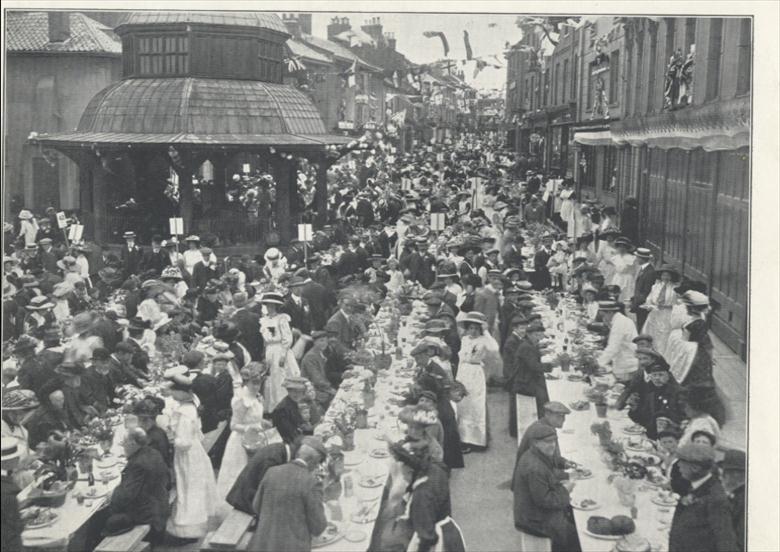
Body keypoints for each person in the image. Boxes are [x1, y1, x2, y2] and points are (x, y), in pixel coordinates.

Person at [369, 441, 464, 552]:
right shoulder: (433, 469)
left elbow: (426, 538)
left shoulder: (422, 495)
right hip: (448, 530)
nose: (403, 477)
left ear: (410, 471)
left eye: (403, 473)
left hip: (435, 540)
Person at [163, 366, 217, 542]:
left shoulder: (185, 413)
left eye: (174, 391)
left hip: (187, 455)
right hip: (195, 451)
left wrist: (171, 438)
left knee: (188, 486)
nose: (171, 394)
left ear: (180, 392)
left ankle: (189, 528)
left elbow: (184, 442)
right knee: (192, 486)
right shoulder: (191, 405)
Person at [247, 436, 328, 552]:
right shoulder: (311, 483)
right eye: (317, 464)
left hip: (264, 545)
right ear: (313, 461)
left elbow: (256, 506)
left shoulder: (272, 471)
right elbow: (318, 527)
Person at [512, 423, 581, 552]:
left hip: (531, 512)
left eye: (554, 441)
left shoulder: (535, 455)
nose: (552, 445)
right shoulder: (534, 468)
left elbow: (548, 475)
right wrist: (566, 490)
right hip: (534, 520)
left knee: (574, 521)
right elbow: (545, 501)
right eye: (547, 442)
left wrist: (566, 476)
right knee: (576, 537)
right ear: (536, 443)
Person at [216, 362, 268, 518]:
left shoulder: (257, 397)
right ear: (246, 382)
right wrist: (248, 428)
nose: (257, 387)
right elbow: (233, 425)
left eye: (259, 383)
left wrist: (261, 423)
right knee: (240, 473)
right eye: (254, 383)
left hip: (256, 439)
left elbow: (257, 418)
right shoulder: (241, 400)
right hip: (241, 442)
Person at [102, 427, 170, 543]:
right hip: (159, 504)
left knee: (102, 516)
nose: (123, 447)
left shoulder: (137, 464)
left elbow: (126, 496)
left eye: (124, 443)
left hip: (148, 515)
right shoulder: (153, 452)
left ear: (133, 443)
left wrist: (112, 495)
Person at [668, 443, 738, 552]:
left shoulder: (716, 499)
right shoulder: (697, 484)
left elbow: (726, 542)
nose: (678, 466)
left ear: (695, 468)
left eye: (681, 463)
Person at [226, 438, 298, 515]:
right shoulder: (273, 459)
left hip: (248, 494)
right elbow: (266, 487)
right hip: (246, 500)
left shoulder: (278, 448)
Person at [618, 357, 684, 439]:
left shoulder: (677, 393)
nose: (657, 378)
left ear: (668, 376)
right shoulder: (649, 390)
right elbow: (642, 419)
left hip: (669, 437)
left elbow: (682, 422)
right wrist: (634, 408)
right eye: (654, 375)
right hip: (650, 435)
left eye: (660, 375)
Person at [513, 402, 574, 485]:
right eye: (559, 416)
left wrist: (565, 463)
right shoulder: (542, 432)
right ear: (547, 414)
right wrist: (570, 475)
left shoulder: (544, 427)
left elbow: (551, 459)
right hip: (531, 482)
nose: (563, 419)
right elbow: (546, 470)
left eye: (564, 416)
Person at [455, 312, 490, 452]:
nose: (473, 331)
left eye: (476, 328)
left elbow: (474, 357)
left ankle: (476, 440)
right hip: (462, 372)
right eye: (471, 328)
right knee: (462, 404)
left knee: (475, 404)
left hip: (475, 373)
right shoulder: (464, 339)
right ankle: (463, 438)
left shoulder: (483, 341)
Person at [260, 292, 301, 411]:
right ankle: (273, 406)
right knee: (271, 377)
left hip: (280, 349)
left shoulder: (282, 319)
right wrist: (264, 354)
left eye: (272, 305)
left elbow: (287, 338)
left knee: (280, 376)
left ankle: (284, 403)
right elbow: (265, 340)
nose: (269, 307)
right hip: (270, 350)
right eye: (268, 305)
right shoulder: (264, 320)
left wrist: (283, 355)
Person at [512, 321, 552, 421]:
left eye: (539, 335)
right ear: (529, 334)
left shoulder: (528, 343)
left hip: (525, 377)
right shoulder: (526, 347)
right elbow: (535, 366)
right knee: (546, 394)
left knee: (546, 386)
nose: (538, 338)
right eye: (536, 335)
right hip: (524, 383)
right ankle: (543, 419)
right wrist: (552, 365)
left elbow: (532, 356)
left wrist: (540, 351)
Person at [639, 264, 680, 353]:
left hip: (667, 314)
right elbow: (649, 298)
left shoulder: (675, 289)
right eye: (663, 275)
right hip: (655, 312)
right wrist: (649, 304)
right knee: (651, 332)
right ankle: (650, 351)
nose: (665, 277)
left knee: (664, 335)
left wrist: (668, 306)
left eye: (668, 275)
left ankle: (662, 354)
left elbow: (679, 304)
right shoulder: (656, 286)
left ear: (672, 277)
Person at [596, 300, 639, 383]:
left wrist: (598, 363)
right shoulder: (619, 320)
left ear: (610, 312)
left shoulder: (620, 323)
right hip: (623, 361)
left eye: (603, 315)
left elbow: (613, 347)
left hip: (626, 365)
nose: (603, 318)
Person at [300, 331, 337, 411]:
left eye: (326, 341)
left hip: (320, 387)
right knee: (336, 398)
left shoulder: (319, 353)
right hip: (312, 389)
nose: (324, 343)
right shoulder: (311, 357)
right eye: (321, 341)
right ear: (314, 342)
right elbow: (317, 379)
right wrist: (330, 388)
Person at [131, 398, 172, 468]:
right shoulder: (156, 431)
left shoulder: (153, 438)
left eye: (140, 420)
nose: (138, 424)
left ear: (148, 420)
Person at [718, 449, 746, 551]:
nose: (723, 477)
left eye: (726, 472)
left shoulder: (743, 499)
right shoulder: (736, 492)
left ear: (737, 474)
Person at [271, 376, 312, 444]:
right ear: (288, 391)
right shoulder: (282, 409)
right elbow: (291, 434)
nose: (296, 394)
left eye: (300, 392)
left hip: (295, 438)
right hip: (285, 443)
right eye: (293, 391)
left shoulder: (293, 403)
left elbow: (300, 424)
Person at [2, 436, 25, 552]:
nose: (18, 459)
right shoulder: (7, 490)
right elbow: (13, 529)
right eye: (16, 457)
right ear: (7, 461)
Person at [631, 247, 656, 331]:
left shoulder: (650, 272)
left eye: (637, 257)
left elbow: (647, 290)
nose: (636, 259)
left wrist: (638, 302)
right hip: (640, 303)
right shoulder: (643, 269)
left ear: (642, 258)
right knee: (639, 323)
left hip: (643, 304)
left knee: (642, 325)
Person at [610, 237, 637, 304]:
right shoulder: (615, 258)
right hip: (617, 278)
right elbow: (616, 270)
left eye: (623, 247)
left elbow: (623, 269)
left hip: (627, 278)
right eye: (619, 246)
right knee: (616, 294)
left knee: (626, 296)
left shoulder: (631, 258)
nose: (621, 248)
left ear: (627, 248)